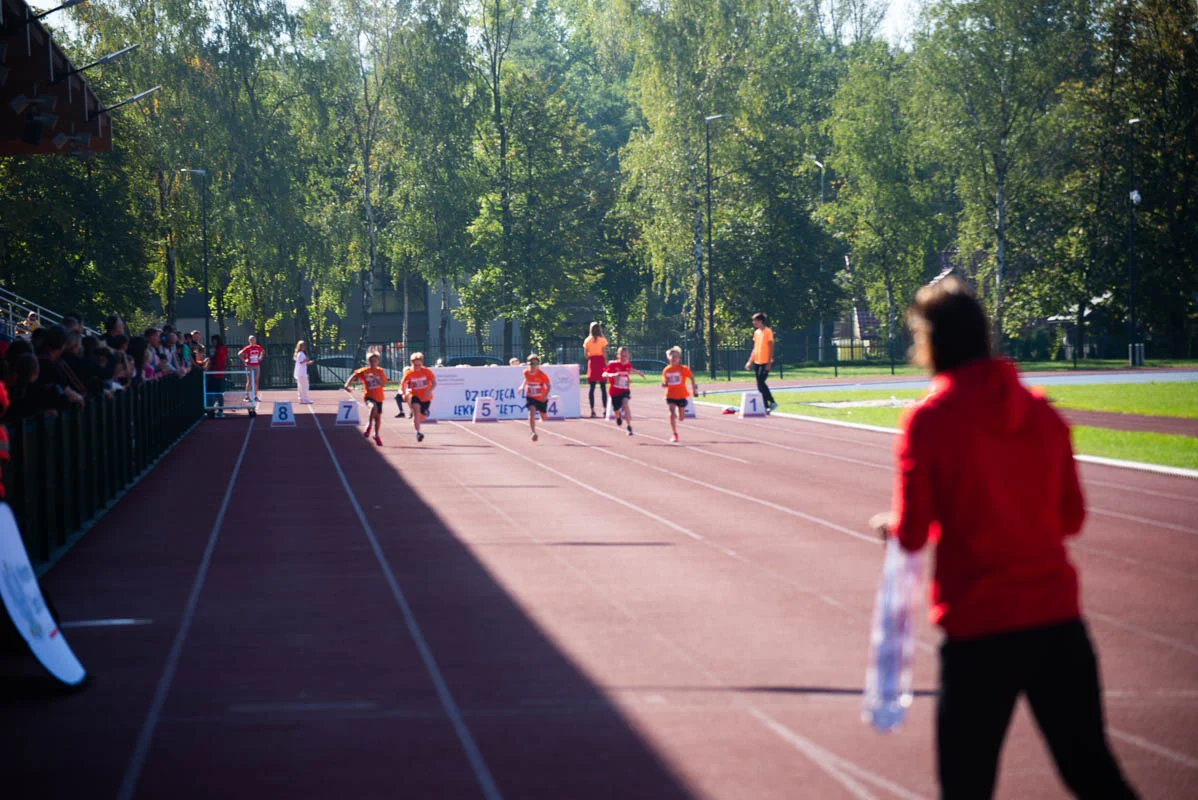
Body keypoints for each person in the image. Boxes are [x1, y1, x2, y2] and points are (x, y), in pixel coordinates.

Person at [872, 277, 1138, 800]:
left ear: (932, 342)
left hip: (980, 626)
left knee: (966, 784)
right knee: (1093, 773)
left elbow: (914, 533)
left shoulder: (930, 420)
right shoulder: (1042, 413)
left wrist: (891, 527)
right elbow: (1071, 519)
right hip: (1058, 621)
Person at [344, 352, 387, 446]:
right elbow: (354, 375)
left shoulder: (380, 371)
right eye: (371, 361)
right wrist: (347, 385)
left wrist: (375, 378)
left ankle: (376, 434)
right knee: (373, 407)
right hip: (369, 396)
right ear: (368, 361)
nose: (373, 363)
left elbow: (384, 384)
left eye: (375, 361)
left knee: (378, 418)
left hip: (379, 397)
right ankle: (369, 425)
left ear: (378, 362)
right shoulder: (364, 371)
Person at [603, 346, 644, 437]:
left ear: (628, 356)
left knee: (625, 404)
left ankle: (629, 427)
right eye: (621, 355)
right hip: (614, 391)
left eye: (625, 356)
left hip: (625, 389)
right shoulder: (613, 364)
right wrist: (612, 375)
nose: (623, 357)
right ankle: (618, 417)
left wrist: (639, 373)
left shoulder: (628, 365)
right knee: (616, 409)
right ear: (618, 355)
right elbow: (604, 374)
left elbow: (630, 369)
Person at [661, 346, 698, 443]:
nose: (674, 359)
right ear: (668, 358)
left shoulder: (683, 369)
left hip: (681, 395)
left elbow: (692, 378)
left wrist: (694, 389)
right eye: (672, 357)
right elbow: (664, 382)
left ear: (679, 358)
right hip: (670, 395)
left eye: (676, 357)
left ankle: (680, 414)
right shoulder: (666, 370)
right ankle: (674, 433)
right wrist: (664, 384)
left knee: (681, 418)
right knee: (671, 414)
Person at [744, 312, 777, 414]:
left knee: (761, 382)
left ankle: (772, 401)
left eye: (755, 321)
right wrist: (750, 361)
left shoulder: (768, 331)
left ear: (761, 321)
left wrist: (769, 362)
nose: (754, 323)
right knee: (759, 385)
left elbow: (771, 346)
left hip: (765, 361)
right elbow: (755, 348)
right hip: (757, 361)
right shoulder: (757, 332)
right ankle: (765, 406)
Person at [400, 352, 436, 443]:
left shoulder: (426, 371)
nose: (417, 367)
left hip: (426, 397)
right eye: (415, 365)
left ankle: (419, 418)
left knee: (422, 417)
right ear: (411, 363)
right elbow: (403, 383)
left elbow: (434, 383)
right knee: (416, 412)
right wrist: (404, 394)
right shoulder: (409, 373)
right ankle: (418, 433)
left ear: (422, 363)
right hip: (414, 395)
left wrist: (429, 391)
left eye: (419, 365)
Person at [519, 353, 552, 442]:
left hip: (541, 398)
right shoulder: (526, 372)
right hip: (530, 397)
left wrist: (545, 395)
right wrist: (522, 387)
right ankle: (533, 432)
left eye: (535, 364)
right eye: (531, 364)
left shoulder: (542, 375)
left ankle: (542, 414)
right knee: (532, 413)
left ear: (538, 365)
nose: (533, 366)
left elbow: (548, 385)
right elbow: (526, 380)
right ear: (528, 364)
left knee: (544, 417)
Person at [583, 322, 609, 418]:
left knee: (592, 388)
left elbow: (586, 355)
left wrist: (591, 354)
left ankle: (592, 410)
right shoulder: (602, 340)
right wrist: (605, 365)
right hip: (600, 362)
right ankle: (605, 410)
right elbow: (604, 354)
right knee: (603, 388)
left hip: (592, 362)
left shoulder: (587, 340)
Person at [203, 334, 228, 417]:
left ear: (216, 341)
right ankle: (217, 410)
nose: (212, 343)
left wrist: (210, 365)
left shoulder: (219, 350)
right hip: (218, 374)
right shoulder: (220, 350)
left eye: (213, 341)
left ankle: (212, 410)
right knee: (218, 393)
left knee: (214, 392)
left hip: (215, 374)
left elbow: (218, 363)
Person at [238, 336, 265, 401]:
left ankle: (255, 396)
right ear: (249, 341)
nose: (252, 341)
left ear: (255, 340)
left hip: (257, 365)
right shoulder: (247, 348)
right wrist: (244, 361)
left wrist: (260, 357)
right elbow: (239, 354)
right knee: (249, 381)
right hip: (249, 365)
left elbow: (263, 351)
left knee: (256, 381)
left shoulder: (258, 347)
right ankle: (247, 396)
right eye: (251, 340)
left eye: (253, 340)